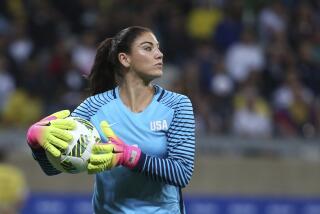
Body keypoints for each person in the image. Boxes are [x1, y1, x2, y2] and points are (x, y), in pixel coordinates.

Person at [26, 26, 196, 214]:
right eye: (148, 48)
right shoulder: (93, 106)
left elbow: (182, 173)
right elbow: (56, 168)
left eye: (158, 48)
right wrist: (37, 144)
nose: (159, 54)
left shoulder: (177, 104)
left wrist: (129, 156)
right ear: (125, 59)